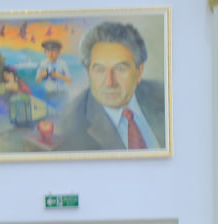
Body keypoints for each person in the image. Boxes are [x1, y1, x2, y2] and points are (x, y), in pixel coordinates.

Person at [56, 22, 167, 151]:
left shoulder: (165, 95)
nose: (109, 83)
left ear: (139, 72)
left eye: (120, 69)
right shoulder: (70, 125)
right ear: (88, 73)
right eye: (99, 69)